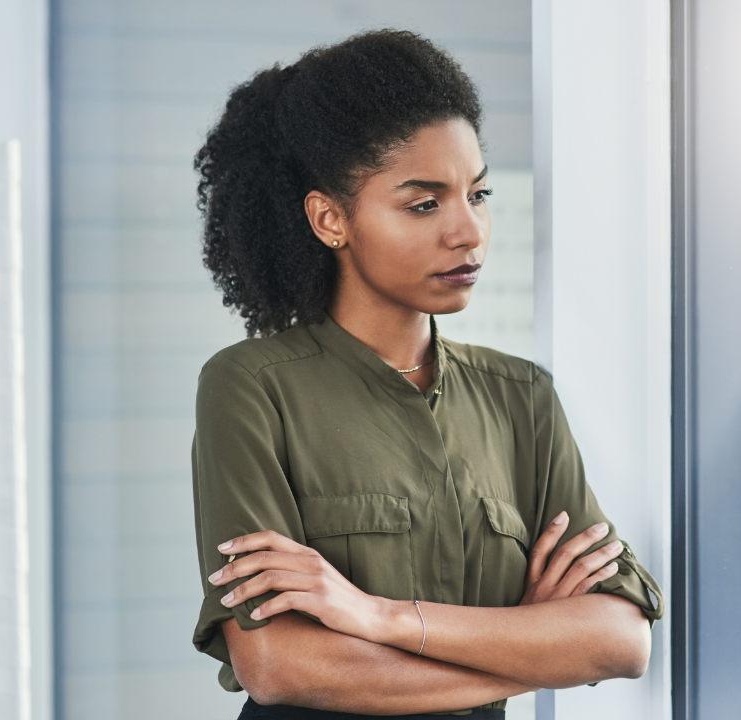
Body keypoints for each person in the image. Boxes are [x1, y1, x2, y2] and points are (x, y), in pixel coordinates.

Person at [189, 29, 663, 719]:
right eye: (424, 203)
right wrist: (528, 647)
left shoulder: (522, 399)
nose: (469, 231)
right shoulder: (252, 388)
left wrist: (375, 616)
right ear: (330, 219)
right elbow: (278, 665)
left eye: (479, 193)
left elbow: (621, 639)